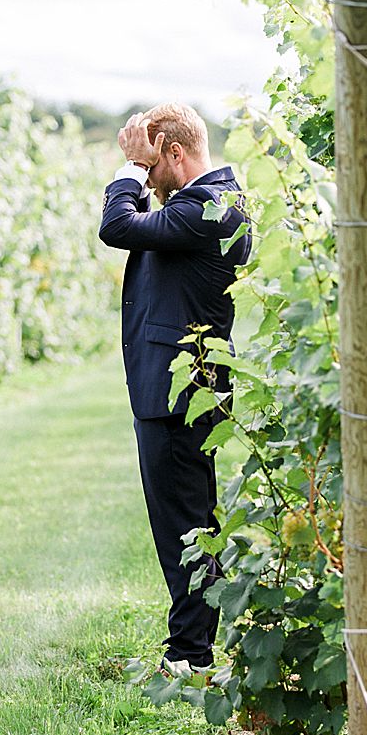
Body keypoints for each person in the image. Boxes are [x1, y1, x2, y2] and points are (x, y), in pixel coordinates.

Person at [98, 102, 251, 672]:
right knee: (183, 522)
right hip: (177, 387)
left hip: (181, 392)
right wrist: (142, 170)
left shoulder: (209, 207)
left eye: (152, 167)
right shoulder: (204, 203)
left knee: (185, 523)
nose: (148, 184)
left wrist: (130, 169)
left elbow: (116, 227)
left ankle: (192, 654)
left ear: (173, 152)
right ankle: (191, 646)